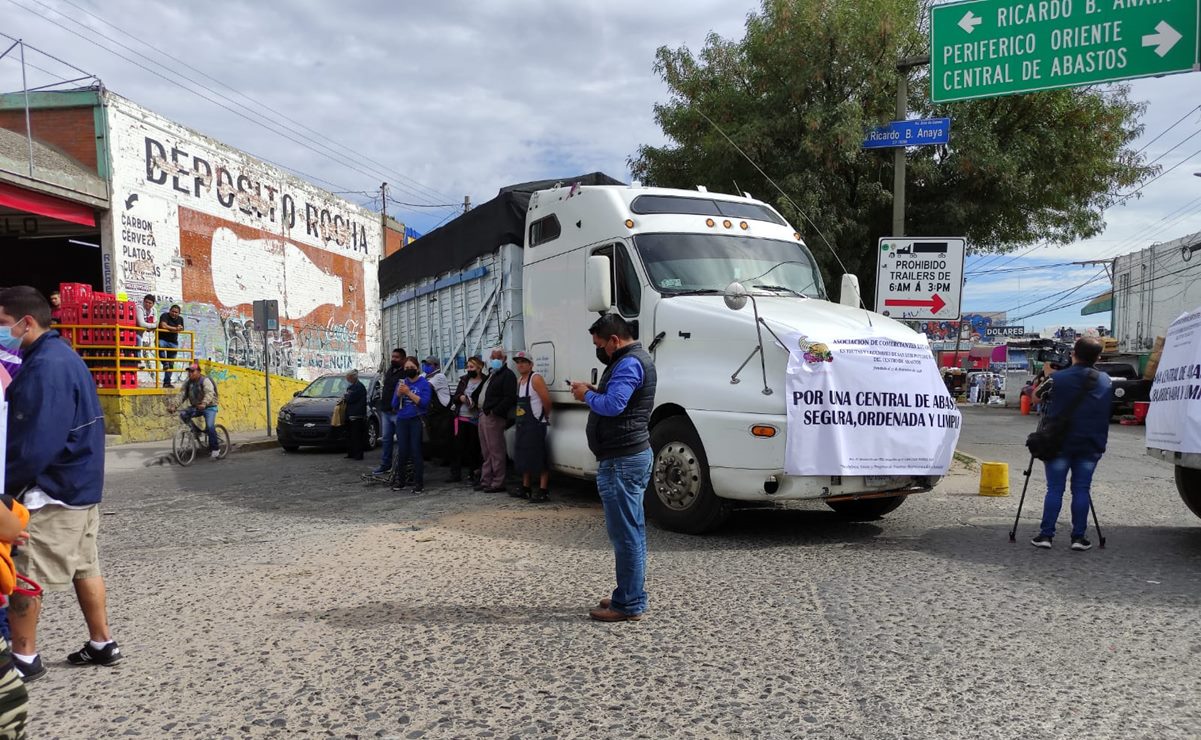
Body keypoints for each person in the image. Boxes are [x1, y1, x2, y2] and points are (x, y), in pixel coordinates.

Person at [0, 286, 122, 682]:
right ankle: (102, 643)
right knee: (86, 565)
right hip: (80, 488)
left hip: (51, 493)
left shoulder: (44, 367)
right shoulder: (63, 356)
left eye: (3, 324)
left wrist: (6, 490)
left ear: (26, 323)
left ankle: (23, 659)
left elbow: (35, 442)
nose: (2, 332)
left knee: (25, 575)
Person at [571, 314, 657, 622]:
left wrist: (587, 396)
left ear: (614, 341)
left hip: (622, 459)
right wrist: (594, 389)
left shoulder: (629, 362)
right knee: (630, 532)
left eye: (600, 345)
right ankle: (628, 594)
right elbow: (622, 398)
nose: (600, 350)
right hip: (624, 456)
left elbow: (615, 405)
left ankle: (629, 604)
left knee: (626, 535)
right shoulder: (629, 360)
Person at [1031, 337, 1112, 552]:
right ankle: (1079, 537)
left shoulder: (1057, 378)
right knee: (1082, 489)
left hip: (1059, 443)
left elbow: (1036, 398)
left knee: (1055, 489)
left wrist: (1047, 373)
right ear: (1098, 357)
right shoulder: (1106, 380)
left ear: (1073, 354)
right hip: (1090, 444)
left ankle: (1046, 535)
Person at [473, 347, 517, 494]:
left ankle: (498, 482)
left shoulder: (508, 375)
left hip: (494, 417)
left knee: (496, 450)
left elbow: (509, 397)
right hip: (483, 415)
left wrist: (495, 411)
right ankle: (486, 480)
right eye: (493, 357)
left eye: (498, 357)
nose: (495, 360)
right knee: (486, 451)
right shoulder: (492, 374)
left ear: (504, 359)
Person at [513, 351, 552, 502]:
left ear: (531, 364)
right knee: (524, 456)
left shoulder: (535, 379)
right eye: (518, 362)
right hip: (522, 423)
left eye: (523, 361)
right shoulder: (519, 381)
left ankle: (543, 490)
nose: (520, 364)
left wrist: (543, 417)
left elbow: (547, 401)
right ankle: (526, 487)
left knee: (539, 456)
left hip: (535, 423)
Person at [391, 356, 431, 493]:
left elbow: (424, 403)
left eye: (411, 368)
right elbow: (394, 405)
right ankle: (401, 481)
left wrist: (408, 392)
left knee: (416, 450)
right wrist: (398, 394)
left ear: (417, 368)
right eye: (406, 368)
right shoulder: (401, 383)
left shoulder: (423, 383)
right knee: (402, 451)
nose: (409, 370)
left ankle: (418, 483)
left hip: (416, 419)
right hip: (402, 419)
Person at [450, 356, 485, 484]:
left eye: (472, 367)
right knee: (457, 447)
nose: (469, 369)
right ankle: (455, 474)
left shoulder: (485, 381)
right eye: (468, 367)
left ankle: (473, 473)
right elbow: (455, 397)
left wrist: (474, 403)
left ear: (479, 368)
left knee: (474, 447)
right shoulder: (464, 380)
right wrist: (461, 398)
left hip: (475, 418)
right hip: (461, 417)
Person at [372, 348, 406, 476]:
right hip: (386, 411)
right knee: (386, 440)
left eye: (396, 357)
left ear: (403, 359)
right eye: (392, 357)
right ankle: (385, 465)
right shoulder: (390, 371)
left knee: (402, 440)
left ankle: (400, 466)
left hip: (398, 412)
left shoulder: (405, 373)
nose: (393, 359)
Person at [178, 363, 221, 460]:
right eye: (189, 372)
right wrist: (173, 405)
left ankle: (215, 449)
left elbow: (210, 393)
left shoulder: (205, 380)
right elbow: (181, 395)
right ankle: (196, 431)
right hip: (197, 407)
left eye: (192, 371)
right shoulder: (188, 383)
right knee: (183, 414)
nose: (190, 374)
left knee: (210, 427)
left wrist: (204, 403)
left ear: (198, 372)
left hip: (209, 407)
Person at [422, 356, 454, 466]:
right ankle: (437, 458)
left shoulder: (439, 376)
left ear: (435, 366)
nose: (425, 367)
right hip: (433, 412)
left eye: (428, 364)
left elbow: (426, 387)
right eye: (425, 364)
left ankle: (445, 460)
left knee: (442, 437)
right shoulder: (425, 375)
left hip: (442, 411)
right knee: (434, 435)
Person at [342, 369, 368, 461]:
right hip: (351, 414)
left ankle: (358, 454)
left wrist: (346, 396)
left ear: (352, 377)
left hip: (357, 415)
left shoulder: (358, 387)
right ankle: (351, 453)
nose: (347, 379)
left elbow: (350, 398)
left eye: (348, 378)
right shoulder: (352, 386)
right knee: (350, 435)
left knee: (356, 436)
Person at [158, 304, 185, 388]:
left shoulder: (180, 319)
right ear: (169, 311)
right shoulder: (164, 315)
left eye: (176, 312)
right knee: (160, 345)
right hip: (162, 339)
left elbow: (181, 328)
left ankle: (167, 382)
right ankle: (164, 362)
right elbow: (163, 325)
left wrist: (172, 328)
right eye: (172, 311)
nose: (174, 313)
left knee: (171, 364)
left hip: (173, 342)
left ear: (179, 313)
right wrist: (175, 329)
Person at [135, 294, 157, 370]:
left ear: (153, 304)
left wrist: (151, 326)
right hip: (136, 332)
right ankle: (139, 361)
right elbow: (141, 324)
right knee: (138, 340)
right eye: (146, 302)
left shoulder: (154, 310)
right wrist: (152, 326)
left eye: (150, 303)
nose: (147, 304)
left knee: (151, 350)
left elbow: (156, 322)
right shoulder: (139, 308)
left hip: (147, 334)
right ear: (144, 301)